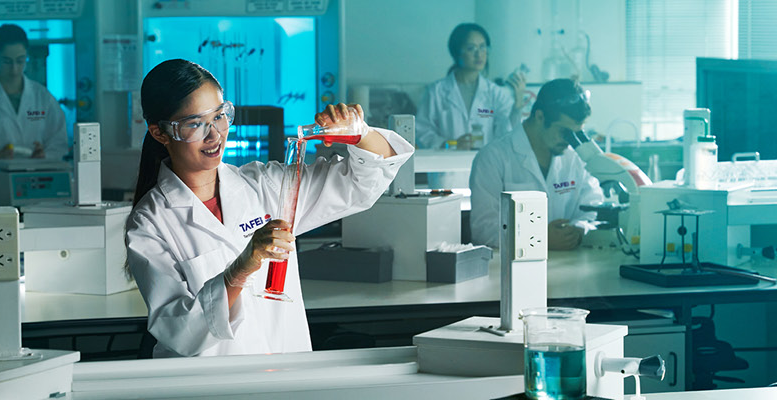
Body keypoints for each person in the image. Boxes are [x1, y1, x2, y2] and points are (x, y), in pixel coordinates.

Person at [125, 59, 414, 357]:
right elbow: (180, 332)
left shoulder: (265, 185)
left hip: (286, 371)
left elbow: (360, 185)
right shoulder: (150, 223)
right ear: (160, 133)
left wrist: (359, 133)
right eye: (194, 124)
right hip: (214, 385)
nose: (214, 135)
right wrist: (241, 269)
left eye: (220, 116)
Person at [469, 78, 602, 250]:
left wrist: (579, 229)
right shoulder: (493, 157)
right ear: (540, 116)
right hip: (513, 269)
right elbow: (483, 231)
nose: (571, 141)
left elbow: (594, 207)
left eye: (577, 133)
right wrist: (538, 238)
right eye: (564, 132)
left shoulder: (575, 158)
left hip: (567, 262)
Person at [0, 24, 69, 204]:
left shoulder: (43, 98)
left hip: (37, 195)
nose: (15, 69)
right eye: (7, 61)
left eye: (21, 60)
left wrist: (44, 155)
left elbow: (59, 142)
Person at [416, 23, 527, 150]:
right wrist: (452, 144)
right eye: (471, 48)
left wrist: (517, 107)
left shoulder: (495, 93)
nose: (479, 54)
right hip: (447, 166)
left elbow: (507, 134)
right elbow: (422, 132)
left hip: (485, 166)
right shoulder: (436, 92)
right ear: (456, 52)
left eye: (483, 47)